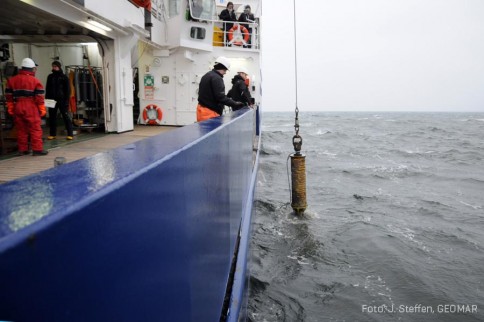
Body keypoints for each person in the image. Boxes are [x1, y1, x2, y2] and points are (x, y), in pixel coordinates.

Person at [5, 58, 48, 156]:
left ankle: (22, 150)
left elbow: (8, 96)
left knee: (21, 129)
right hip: (31, 106)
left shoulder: (12, 80)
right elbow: (39, 97)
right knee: (35, 128)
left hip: (18, 105)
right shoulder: (35, 81)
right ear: (32, 69)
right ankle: (37, 150)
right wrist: (42, 109)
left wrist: (11, 107)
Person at [197, 56, 244, 122]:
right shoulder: (217, 78)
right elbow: (220, 97)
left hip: (201, 111)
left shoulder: (206, 75)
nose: (225, 72)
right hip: (210, 113)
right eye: (225, 70)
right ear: (222, 68)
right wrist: (235, 103)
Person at [45, 61, 74, 140]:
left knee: (65, 117)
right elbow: (47, 89)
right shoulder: (50, 77)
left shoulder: (64, 77)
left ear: (59, 67)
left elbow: (67, 90)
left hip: (62, 100)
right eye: (53, 66)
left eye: (55, 66)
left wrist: (66, 101)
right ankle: (52, 134)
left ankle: (70, 134)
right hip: (52, 100)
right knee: (52, 117)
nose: (54, 68)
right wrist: (47, 100)